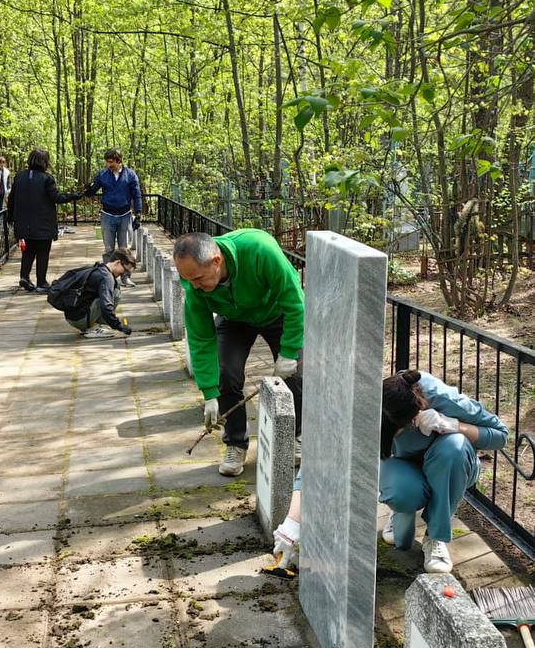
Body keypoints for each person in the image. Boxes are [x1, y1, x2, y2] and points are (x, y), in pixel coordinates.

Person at [272, 368, 508, 577]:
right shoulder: (364, 406)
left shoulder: (438, 396)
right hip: (401, 467)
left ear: (409, 420)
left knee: (453, 448)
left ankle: (435, 537)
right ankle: (400, 512)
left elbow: (500, 436)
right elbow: (319, 459)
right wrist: (292, 525)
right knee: (401, 509)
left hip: (449, 465)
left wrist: (453, 425)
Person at [173, 229, 304, 477]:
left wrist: (288, 352)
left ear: (216, 261)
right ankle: (235, 443)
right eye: (188, 280)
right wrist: (209, 393)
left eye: (198, 279)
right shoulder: (195, 289)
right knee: (227, 375)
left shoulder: (259, 249)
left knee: (297, 376)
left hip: (276, 312)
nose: (194, 286)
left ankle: (296, 436)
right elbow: (201, 340)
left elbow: (294, 300)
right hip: (234, 319)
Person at [7, 149, 82, 292]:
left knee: (28, 251)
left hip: (24, 223)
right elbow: (56, 198)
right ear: (44, 162)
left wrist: (10, 217)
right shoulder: (47, 178)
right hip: (43, 224)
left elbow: (11, 199)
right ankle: (41, 283)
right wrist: (73, 196)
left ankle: (24, 277)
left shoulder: (19, 177)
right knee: (42, 252)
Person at [84, 149, 142, 287]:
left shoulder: (130, 175)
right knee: (108, 248)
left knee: (124, 249)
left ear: (118, 161)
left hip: (125, 215)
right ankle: (107, 278)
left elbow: (137, 195)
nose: (109, 164)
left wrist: (138, 214)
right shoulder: (102, 175)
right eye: (107, 162)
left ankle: (125, 277)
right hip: (107, 215)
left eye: (111, 162)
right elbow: (92, 191)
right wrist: (88, 189)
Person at [58, 248, 135, 338]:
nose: (124, 274)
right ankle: (95, 328)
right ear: (117, 263)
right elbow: (106, 306)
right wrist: (119, 326)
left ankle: (95, 325)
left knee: (111, 290)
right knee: (115, 293)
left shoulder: (99, 267)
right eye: (125, 270)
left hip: (72, 317)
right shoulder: (107, 278)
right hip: (80, 320)